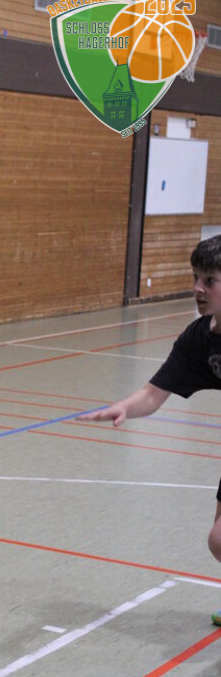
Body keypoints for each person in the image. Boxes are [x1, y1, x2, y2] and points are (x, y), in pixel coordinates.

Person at [87, 234, 221, 623]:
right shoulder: (199, 339)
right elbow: (154, 392)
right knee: (219, 541)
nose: (198, 288)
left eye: (210, 280)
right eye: (195, 277)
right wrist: (124, 407)